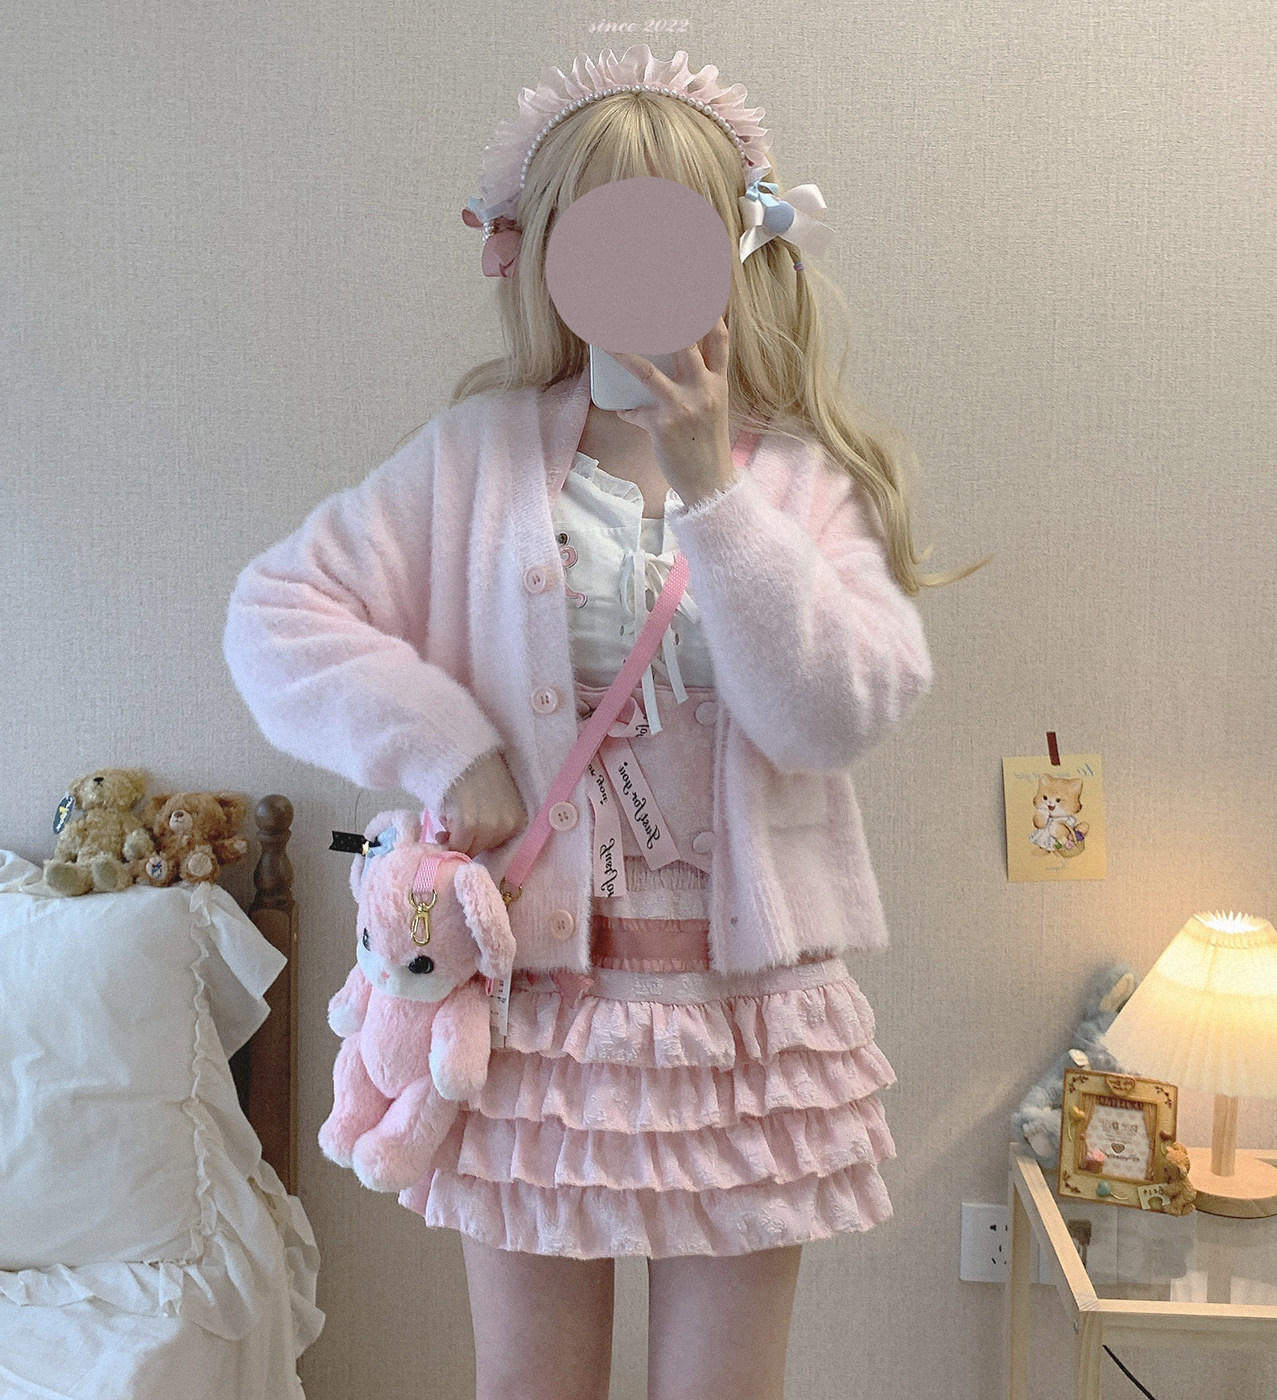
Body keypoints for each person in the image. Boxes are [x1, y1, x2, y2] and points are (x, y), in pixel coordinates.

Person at [223, 43, 988, 1400]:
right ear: (546, 253)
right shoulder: (476, 457)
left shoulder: (802, 481)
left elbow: (834, 716)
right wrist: (445, 745)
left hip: (745, 1027)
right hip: (532, 1013)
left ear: (736, 248)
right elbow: (277, 613)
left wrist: (713, 488)